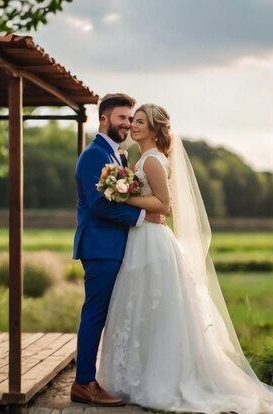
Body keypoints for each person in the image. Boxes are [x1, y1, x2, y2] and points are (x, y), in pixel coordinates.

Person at [97, 103, 273, 414]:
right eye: (134, 121)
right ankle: (138, 375)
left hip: (153, 241)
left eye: (141, 122)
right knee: (142, 306)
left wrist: (122, 195)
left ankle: (160, 379)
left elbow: (164, 205)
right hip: (142, 238)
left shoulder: (152, 163)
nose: (134, 126)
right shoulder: (143, 159)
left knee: (154, 307)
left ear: (155, 128)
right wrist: (126, 193)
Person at [71, 93, 165, 406]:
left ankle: (116, 377)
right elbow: (99, 203)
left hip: (117, 247)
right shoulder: (94, 155)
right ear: (104, 119)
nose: (127, 124)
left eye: (131, 119)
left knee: (117, 315)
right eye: (122, 118)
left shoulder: (118, 156)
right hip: (101, 247)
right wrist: (143, 215)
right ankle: (84, 383)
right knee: (95, 315)